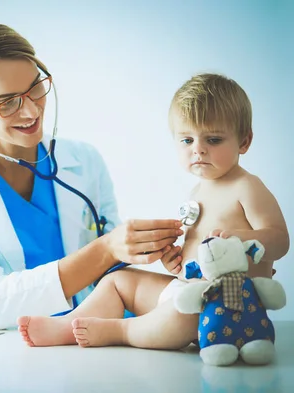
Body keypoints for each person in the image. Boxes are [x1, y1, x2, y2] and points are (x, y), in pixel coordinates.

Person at [0, 22, 183, 330]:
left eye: (35, 87)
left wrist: (151, 251)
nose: (31, 112)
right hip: (3, 346)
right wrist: (105, 249)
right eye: (7, 103)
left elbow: (110, 274)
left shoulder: (84, 160)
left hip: (87, 333)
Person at [18, 73, 290, 348]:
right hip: (188, 292)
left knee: (186, 312)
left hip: (227, 307)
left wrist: (237, 239)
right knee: (119, 280)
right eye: (187, 140)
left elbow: (280, 241)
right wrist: (176, 261)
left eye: (213, 140)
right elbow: (196, 264)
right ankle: (69, 324)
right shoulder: (197, 192)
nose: (199, 150)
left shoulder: (247, 187)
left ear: (244, 141)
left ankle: (121, 331)